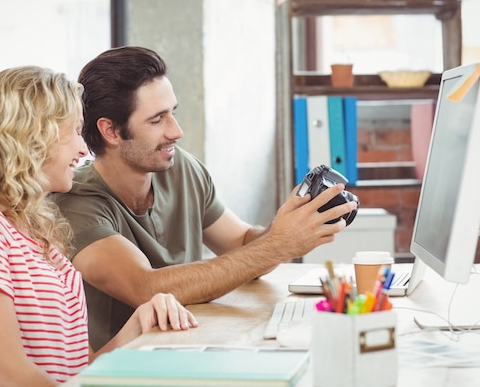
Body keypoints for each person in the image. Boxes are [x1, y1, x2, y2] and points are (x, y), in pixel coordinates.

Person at [54, 46, 357, 350]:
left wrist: (292, 223)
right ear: (111, 131)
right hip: (123, 370)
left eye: (173, 113)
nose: (177, 131)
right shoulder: (77, 201)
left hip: (189, 345)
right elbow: (145, 287)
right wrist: (278, 243)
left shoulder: (179, 167)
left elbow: (241, 244)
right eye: (158, 120)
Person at [0, 66, 197, 387]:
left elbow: (76, 371)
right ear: (32, 136)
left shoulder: (25, 226)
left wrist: (137, 325)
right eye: (75, 131)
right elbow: (10, 376)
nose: (83, 149)